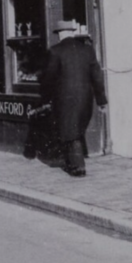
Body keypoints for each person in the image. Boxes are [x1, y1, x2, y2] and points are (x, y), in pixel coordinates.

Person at [40, 20, 107, 177]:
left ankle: (78, 167)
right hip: (85, 98)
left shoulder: (55, 51)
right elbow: (97, 76)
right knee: (76, 129)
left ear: (60, 34)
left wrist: (45, 98)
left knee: (70, 131)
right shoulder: (87, 50)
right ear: (72, 32)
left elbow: (49, 78)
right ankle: (73, 162)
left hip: (64, 98)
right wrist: (101, 100)